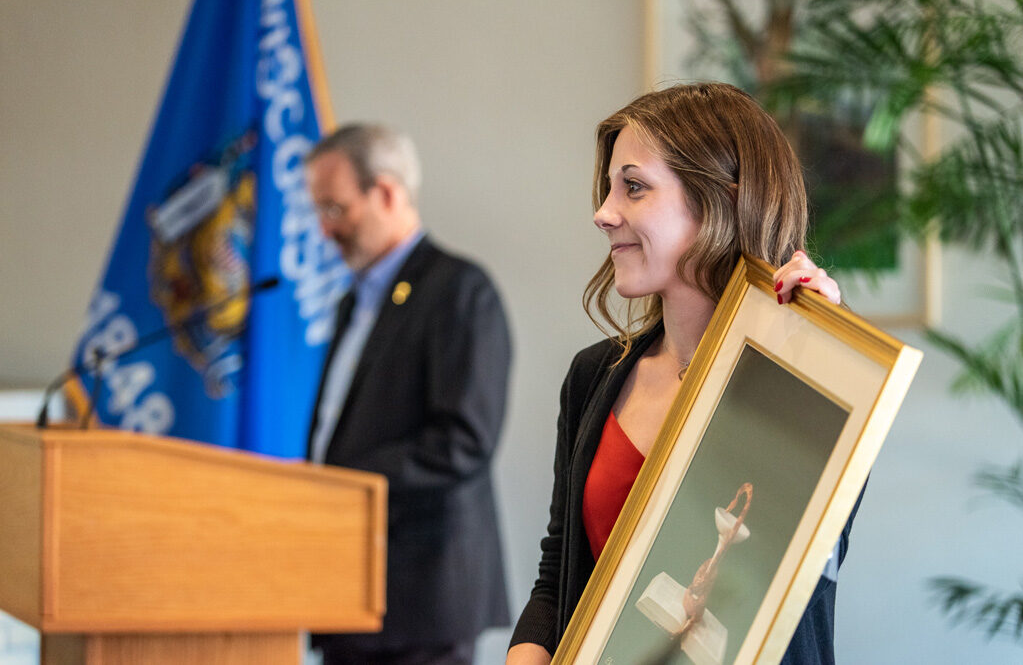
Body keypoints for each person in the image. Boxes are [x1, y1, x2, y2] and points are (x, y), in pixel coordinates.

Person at [507, 83, 853, 665]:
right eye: (609, 187)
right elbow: (560, 569)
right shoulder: (594, 376)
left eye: (634, 187)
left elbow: (807, 570)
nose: (602, 213)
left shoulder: (805, 385)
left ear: (721, 200)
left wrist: (816, 363)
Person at [304, 123, 512, 665]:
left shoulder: (459, 291)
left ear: (388, 193)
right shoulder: (354, 302)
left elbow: (463, 441)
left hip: (419, 599)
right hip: (351, 588)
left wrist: (343, 484)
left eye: (335, 209)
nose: (326, 231)